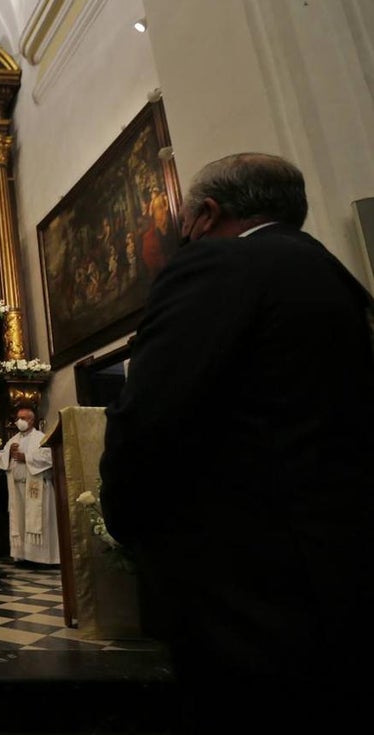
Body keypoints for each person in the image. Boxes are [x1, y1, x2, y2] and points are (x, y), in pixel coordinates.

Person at [99, 152, 374, 730]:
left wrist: (126, 519)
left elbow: (149, 414)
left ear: (206, 213)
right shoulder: (335, 276)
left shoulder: (219, 265)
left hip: (243, 577)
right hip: (339, 558)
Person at [0, 407, 58, 567]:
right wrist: (9, 453)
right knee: (19, 521)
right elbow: (0, 456)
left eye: (23, 418)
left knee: (37, 520)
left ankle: (41, 559)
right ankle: (22, 556)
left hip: (36, 488)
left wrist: (27, 457)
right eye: (18, 418)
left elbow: (51, 456)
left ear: (31, 420)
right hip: (17, 489)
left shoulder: (41, 438)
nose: (19, 421)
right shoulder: (13, 439)